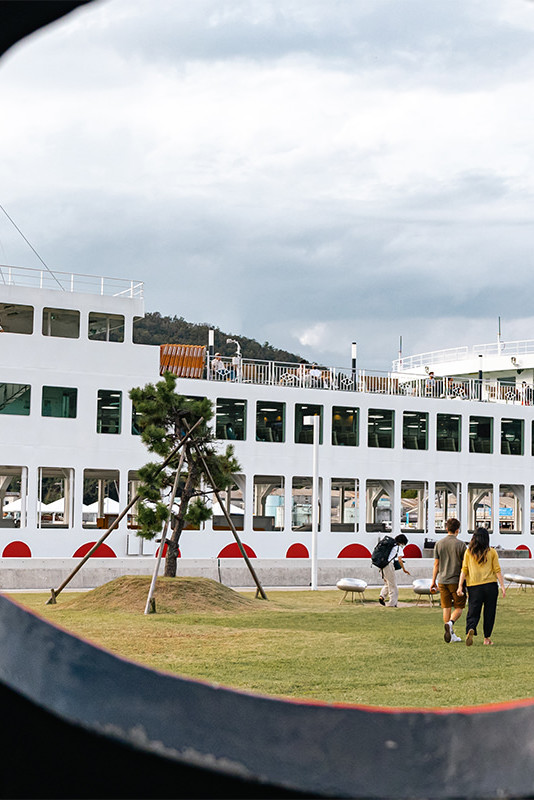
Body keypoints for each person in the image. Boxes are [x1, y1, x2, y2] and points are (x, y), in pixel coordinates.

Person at [457, 527, 506, 646]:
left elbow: (464, 570)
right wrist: (502, 586)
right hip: (490, 586)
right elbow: (497, 570)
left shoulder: (468, 552)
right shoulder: (492, 552)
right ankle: (487, 638)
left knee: (473, 610)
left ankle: (471, 628)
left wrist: (459, 586)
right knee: (489, 612)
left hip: (474, 586)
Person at [430, 518, 466, 643]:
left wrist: (433, 581)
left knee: (446, 607)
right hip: (456, 581)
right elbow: (464, 566)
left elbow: (436, 564)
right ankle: (450, 624)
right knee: (459, 606)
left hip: (442, 580)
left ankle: (450, 634)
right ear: (458, 530)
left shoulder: (439, 544)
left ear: (446, 528)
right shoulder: (461, 545)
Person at [378, 533, 410, 608]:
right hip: (388, 566)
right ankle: (392, 603)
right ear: (402, 542)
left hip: (381, 565)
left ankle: (382, 596)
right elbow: (400, 560)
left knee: (388, 583)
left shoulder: (390, 545)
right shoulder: (398, 548)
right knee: (393, 585)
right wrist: (404, 569)